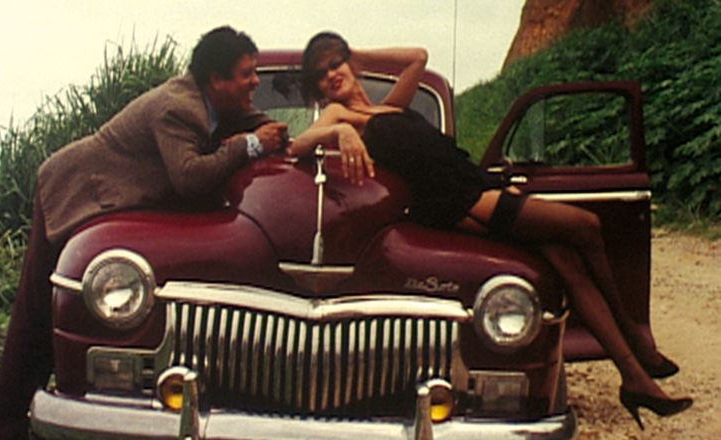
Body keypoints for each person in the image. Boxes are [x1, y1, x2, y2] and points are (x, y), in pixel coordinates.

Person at [288, 31, 691, 430]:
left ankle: (633, 377)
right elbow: (297, 146)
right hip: (460, 202)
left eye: (336, 63)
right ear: (317, 87)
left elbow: (418, 57)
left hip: (475, 186)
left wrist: (356, 53)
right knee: (586, 225)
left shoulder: (390, 106)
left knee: (565, 259)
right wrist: (338, 131)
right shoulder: (340, 115)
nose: (332, 75)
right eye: (321, 74)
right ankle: (635, 338)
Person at [0, 26, 287, 439]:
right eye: (246, 74)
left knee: (44, 312)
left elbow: (270, 130)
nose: (255, 82)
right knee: (37, 312)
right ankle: (6, 426)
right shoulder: (179, 108)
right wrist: (248, 145)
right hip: (79, 190)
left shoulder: (219, 102)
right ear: (216, 79)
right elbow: (189, 178)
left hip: (111, 196)